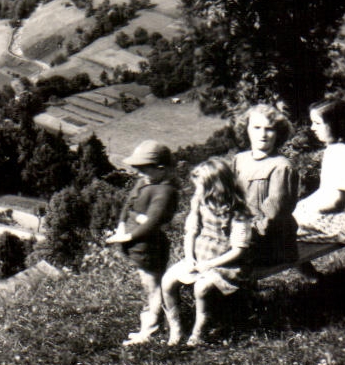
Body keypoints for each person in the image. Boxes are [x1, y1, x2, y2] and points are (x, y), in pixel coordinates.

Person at [161, 157, 252, 346]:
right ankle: (176, 328)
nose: (197, 191)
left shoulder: (237, 212)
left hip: (225, 263)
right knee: (167, 280)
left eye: (201, 186)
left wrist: (210, 264)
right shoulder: (199, 203)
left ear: (215, 187)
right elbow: (191, 233)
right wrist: (189, 257)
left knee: (201, 288)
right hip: (199, 257)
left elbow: (239, 250)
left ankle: (199, 331)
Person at [105, 140, 179, 345]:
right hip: (137, 245)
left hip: (149, 248)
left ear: (161, 169)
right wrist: (122, 223)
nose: (139, 173)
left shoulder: (165, 191)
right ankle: (150, 326)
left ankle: (151, 331)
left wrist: (128, 235)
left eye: (144, 169)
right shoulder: (146, 182)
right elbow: (129, 204)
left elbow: (153, 222)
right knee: (147, 287)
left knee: (153, 288)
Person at [293, 97, 345, 245]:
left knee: (287, 226)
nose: (312, 128)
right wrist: (304, 204)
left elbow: (337, 201)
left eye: (317, 123)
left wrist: (308, 210)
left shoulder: (339, 153)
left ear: (335, 125)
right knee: (294, 216)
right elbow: (326, 191)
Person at [232, 103, 298, 269]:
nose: (263, 134)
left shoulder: (281, 167)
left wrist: (244, 233)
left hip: (270, 241)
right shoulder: (239, 159)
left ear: (278, 133)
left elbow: (274, 216)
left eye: (270, 129)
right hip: (242, 232)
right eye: (256, 127)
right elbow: (229, 198)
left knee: (223, 260)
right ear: (246, 129)